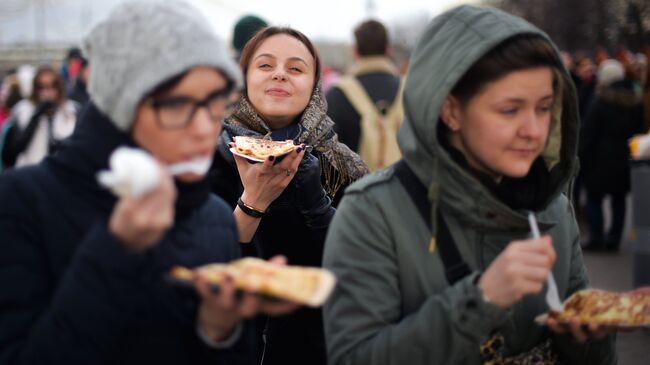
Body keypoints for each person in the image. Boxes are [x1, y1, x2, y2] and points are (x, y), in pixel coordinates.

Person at [0, 1, 298, 364]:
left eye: (216, 102)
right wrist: (116, 249)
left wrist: (219, 330)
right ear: (121, 107)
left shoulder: (215, 217)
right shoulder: (22, 202)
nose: (205, 128)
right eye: (177, 105)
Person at [323, 5, 617, 365]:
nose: (534, 130)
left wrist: (589, 339)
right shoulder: (372, 212)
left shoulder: (551, 206)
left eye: (544, 108)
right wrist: (481, 301)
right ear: (450, 111)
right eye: (510, 110)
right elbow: (354, 357)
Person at [209, 26, 368, 365]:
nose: (280, 74)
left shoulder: (343, 165)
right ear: (245, 77)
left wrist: (316, 204)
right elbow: (205, 271)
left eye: (295, 68)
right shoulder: (207, 157)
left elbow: (359, 271)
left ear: (313, 85)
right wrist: (253, 203)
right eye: (265, 65)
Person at [581, 59, 645, 251]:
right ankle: (614, 239)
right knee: (619, 200)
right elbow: (639, 129)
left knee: (594, 198)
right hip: (624, 157)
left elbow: (588, 132)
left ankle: (597, 237)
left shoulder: (600, 100)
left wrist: (582, 155)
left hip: (599, 159)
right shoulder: (635, 99)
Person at [326, 19, 403, 170]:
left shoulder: (337, 93)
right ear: (388, 50)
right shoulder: (410, 90)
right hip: (407, 189)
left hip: (354, 189)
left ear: (355, 51)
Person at [6, 65, 77, 168]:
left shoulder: (71, 110)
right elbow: (15, 148)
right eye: (41, 87)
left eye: (53, 85)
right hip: (30, 170)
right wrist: (36, 115)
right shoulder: (23, 110)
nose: (47, 91)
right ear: (35, 88)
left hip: (61, 173)